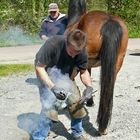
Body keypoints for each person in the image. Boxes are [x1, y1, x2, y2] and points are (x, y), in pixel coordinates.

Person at [32, 29, 94, 140]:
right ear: (67, 42)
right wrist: (53, 88)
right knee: (49, 105)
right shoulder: (53, 44)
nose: (74, 55)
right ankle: (39, 136)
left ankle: (77, 133)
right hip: (46, 73)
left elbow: (83, 72)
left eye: (77, 53)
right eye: (72, 51)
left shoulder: (81, 50)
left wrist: (89, 87)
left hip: (66, 75)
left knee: (76, 102)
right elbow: (39, 67)